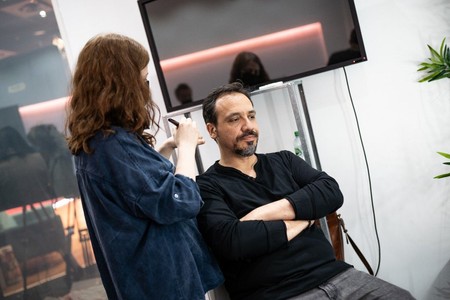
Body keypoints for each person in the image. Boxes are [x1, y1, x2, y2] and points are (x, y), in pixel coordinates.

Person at [196, 82, 415, 300]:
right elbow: (233, 242)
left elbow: (331, 192)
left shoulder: (284, 161)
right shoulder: (206, 186)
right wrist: (304, 218)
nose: (248, 126)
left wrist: (260, 216)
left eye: (251, 116)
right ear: (212, 129)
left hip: (337, 275)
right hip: (277, 293)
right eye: (235, 119)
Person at [65, 33, 223, 300]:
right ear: (123, 84)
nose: (146, 88)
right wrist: (186, 148)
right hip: (162, 284)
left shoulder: (97, 143)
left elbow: (134, 190)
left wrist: (167, 148)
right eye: (143, 80)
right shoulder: (114, 145)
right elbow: (179, 200)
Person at [28, 124, 79, 198]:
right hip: (58, 198)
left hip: (72, 195)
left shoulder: (61, 155)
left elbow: (67, 147)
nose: (37, 147)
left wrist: (53, 131)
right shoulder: (42, 159)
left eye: (37, 142)